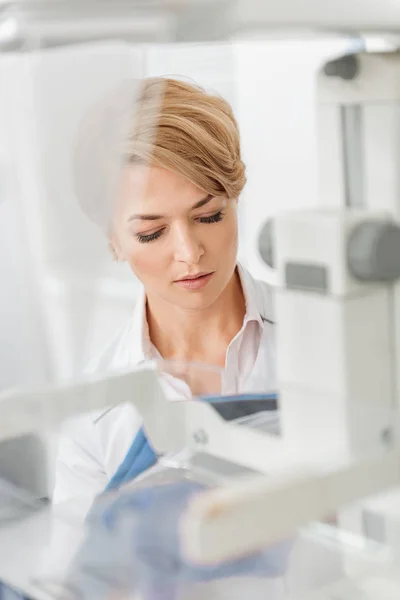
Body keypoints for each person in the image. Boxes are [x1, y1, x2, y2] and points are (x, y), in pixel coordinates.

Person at [53, 76, 276, 509]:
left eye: (209, 216)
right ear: (114, 241)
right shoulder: (94, 413)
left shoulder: (331, 340)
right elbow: (77, 565)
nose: (190, 253)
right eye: (152, 233)